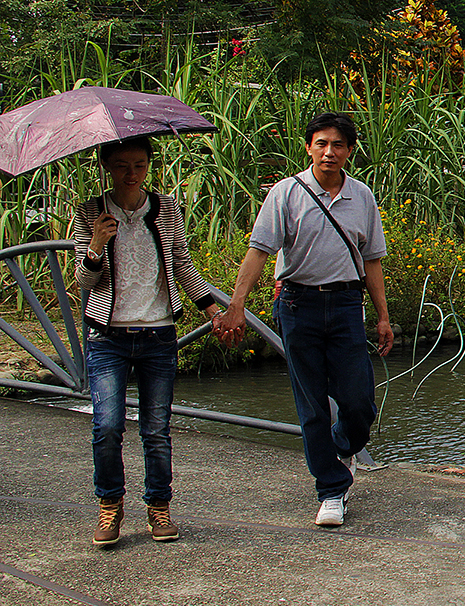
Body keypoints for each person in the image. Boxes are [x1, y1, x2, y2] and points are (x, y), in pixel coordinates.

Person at [215, 113, 395, 528]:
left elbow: (373, 260)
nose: (329, 152)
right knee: (312, 404)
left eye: (337, 145)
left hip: (347, 304)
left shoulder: (362, 197)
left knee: (358, 402)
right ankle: (331, 490)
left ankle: (343, 446)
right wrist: (237, 305)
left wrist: (383, 316)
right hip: (298, 306)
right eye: (321, 143)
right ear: (309, 147)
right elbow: (259, 251)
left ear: (350, 151)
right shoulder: (286, 193)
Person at [72, 136, 220, 547]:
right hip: (108, 335)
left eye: (139, 164)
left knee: (156, 429)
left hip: (158, 334)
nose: (131, 173)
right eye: (122, 165)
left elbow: (183, 267)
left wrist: (213, 309)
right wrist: (96, 245)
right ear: (107, 166)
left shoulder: (167, 208)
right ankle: (110, 505)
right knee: (107, 426)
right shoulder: (89, 212)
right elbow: (83, 282)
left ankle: (158, 506)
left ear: (148, 166)